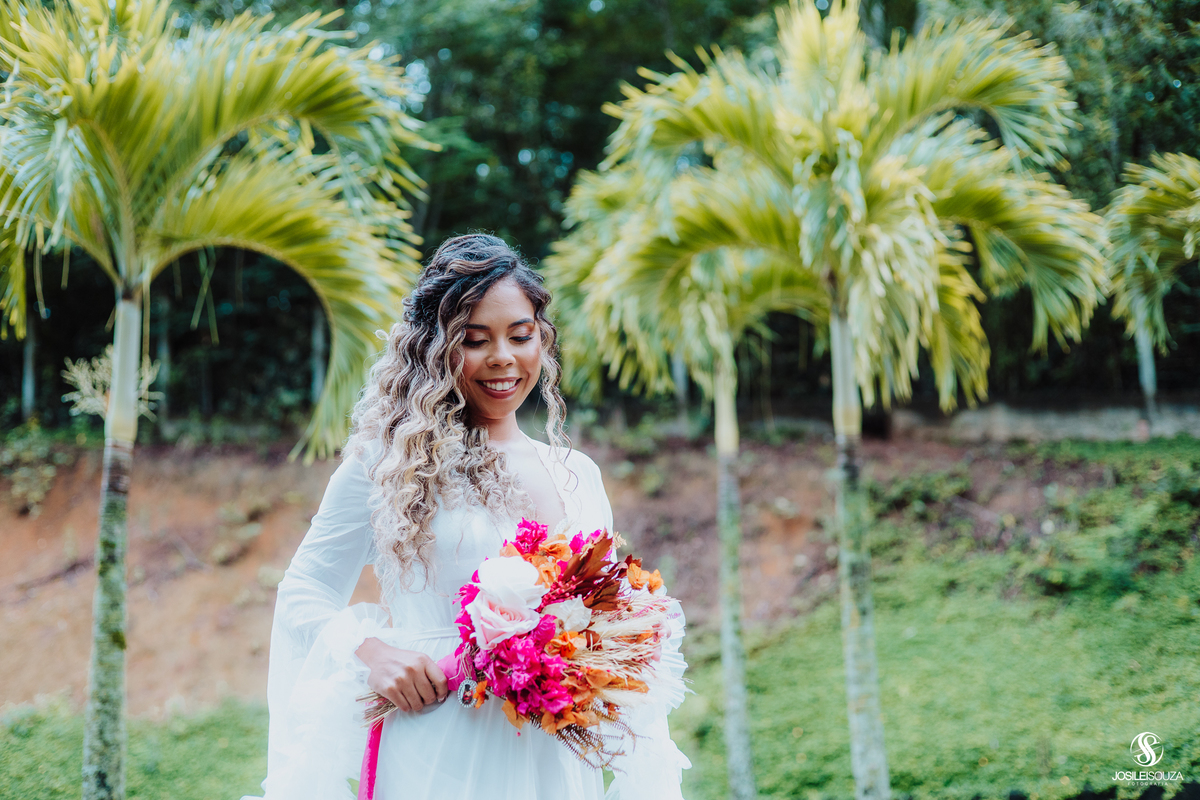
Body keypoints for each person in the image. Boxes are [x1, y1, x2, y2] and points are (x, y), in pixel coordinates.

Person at [243, 234, 690, 800]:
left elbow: (604, 615)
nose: (502, 357)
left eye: (520, 336)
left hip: (550, 753)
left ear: (542, 343)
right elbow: (304, 589)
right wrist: (374, 653)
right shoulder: (386, 466)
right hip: (435, 739)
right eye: (475, 340)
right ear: (433, 350)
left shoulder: (576, 473)